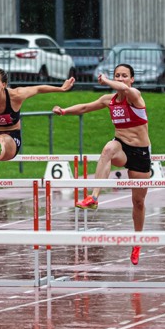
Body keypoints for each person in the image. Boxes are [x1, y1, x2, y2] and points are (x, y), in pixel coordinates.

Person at [52, 63, 151, 266]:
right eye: (117, 75)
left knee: (138, 202)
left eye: (124, 76)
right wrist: (64, 111)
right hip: (121, 148)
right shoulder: (109, 100)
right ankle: (94, 197)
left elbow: (124, 89)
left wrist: (106, 80)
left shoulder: (135, 95)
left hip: (140, 153)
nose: (121, 79)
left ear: (131, 79)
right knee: (107, 149)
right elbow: (86, 107)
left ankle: (137, 240)